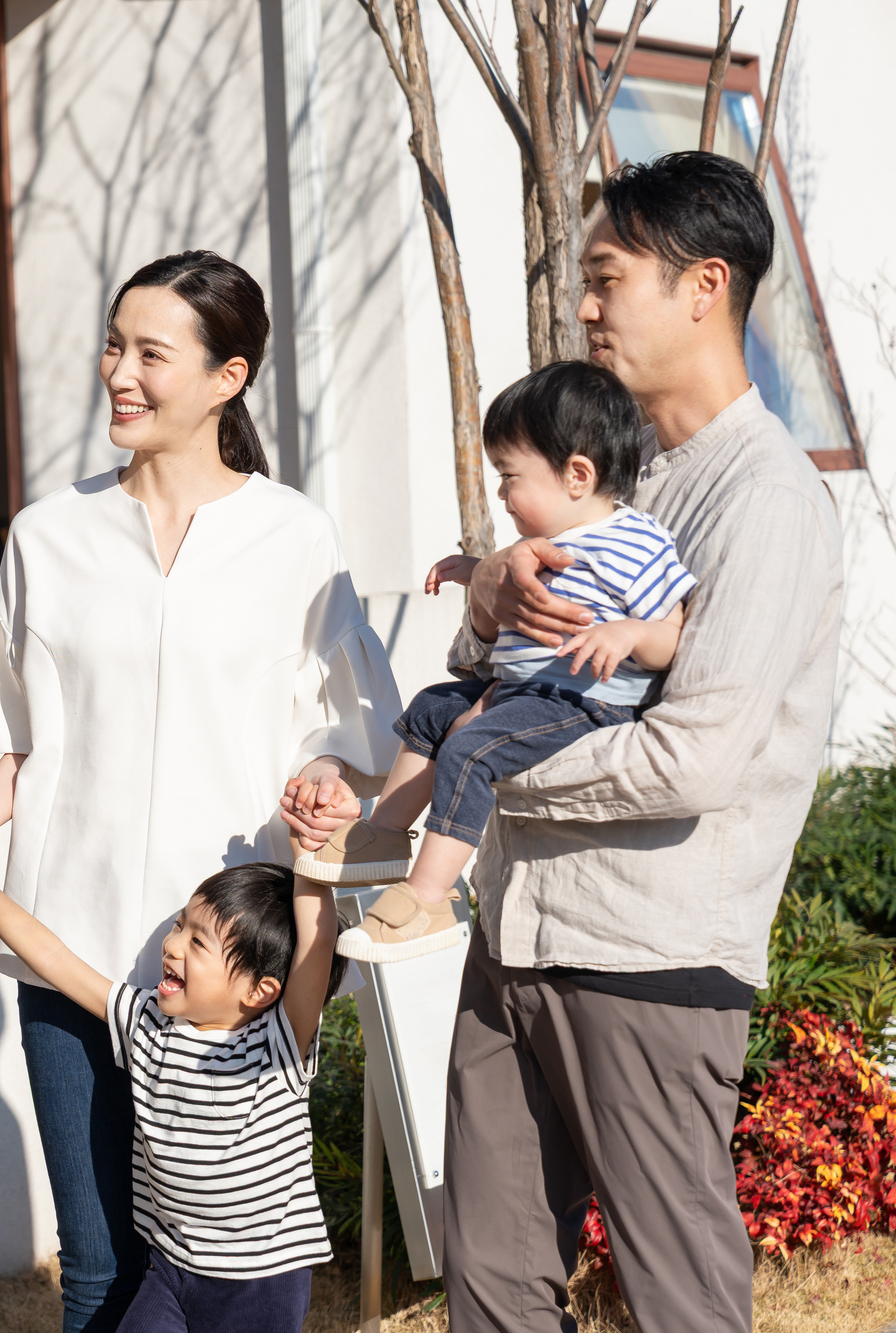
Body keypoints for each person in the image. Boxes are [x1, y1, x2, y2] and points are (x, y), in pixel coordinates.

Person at [285, 151, 842, 1333]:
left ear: (702, 286)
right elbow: (492, 682)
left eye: (606, 277)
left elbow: (694, 757)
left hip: (650, 954)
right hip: (516, 935)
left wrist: (475, 780)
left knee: (675, 1295)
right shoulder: (604, 472)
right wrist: (489, 600)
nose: (583, 306)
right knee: (489, 1281)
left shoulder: (765, 500)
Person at [0, 250, 402, 1332]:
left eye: (149, 353)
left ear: (227, 377)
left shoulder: (294, 537)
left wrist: (322, 786)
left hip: (227, 974)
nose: (118, 372)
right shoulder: (47, 536)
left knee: (224, 1267)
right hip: (69, 949)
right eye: (112, 346)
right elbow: (34, 750)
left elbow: (342, 738)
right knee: (96, 1266)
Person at [293, 361, 695, 964]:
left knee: (471, 750)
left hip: (583, 703)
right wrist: (477, 570)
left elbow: (674, 631)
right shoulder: (545, 541)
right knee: (432, 708)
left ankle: (428, 899)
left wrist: (631, 632)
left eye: (509, 477)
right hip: (519, 690)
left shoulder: (633, 542)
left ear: (577, 476)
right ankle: (385, 835)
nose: (501, 494)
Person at [0, 843, 345, 1332]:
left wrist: (311, 858)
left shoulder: (275, 1047)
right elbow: (52, 957)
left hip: (260, 1281)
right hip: (170, 1268)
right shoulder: (146, 1023)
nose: (173, 945)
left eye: (198, 943)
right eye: (180, 925)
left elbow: (317, 945)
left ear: (258, 991)